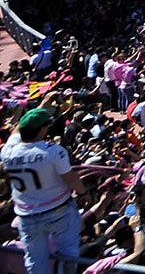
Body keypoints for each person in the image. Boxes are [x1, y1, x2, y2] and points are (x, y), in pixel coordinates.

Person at [3, 107, 85, 274]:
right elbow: (71, 178)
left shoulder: (7, 151)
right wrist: (83, 192)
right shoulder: (53, 151)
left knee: (34, 259)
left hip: (27, 215)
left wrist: (40, 108)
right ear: (42, 129)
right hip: (58, 210)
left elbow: (15, 132)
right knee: (69, 252)